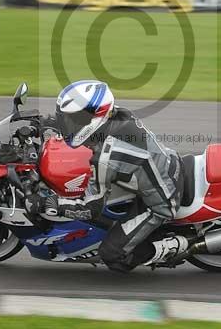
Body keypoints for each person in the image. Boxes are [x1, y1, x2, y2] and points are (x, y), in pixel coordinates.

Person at [34, 80, 188, 272]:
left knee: (112, 254)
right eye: (65, 118)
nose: (68, 124)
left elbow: (91, 209)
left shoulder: (106, 158)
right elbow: (82, 127)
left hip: (162, 201)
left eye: (72, 119)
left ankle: (170, 247)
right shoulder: (117, 114)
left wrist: (50, 203)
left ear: (93, 118)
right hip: (165, 165)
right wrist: (47, 122)